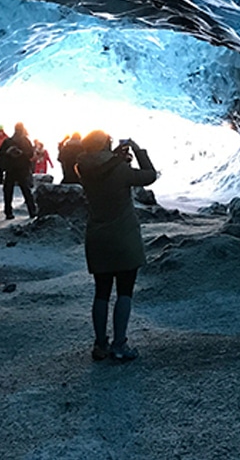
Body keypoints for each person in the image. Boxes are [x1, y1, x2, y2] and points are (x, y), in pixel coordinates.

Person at [76, 131, 156, 362]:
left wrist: (114, 157)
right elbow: (149, 175)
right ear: (106, 145)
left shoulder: (82, 167)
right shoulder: (120, 170)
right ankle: (120, 344)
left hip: (97, 237)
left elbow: (101, 168)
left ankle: (100, 344)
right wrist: (138, 150)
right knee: (124, 291)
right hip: (124, 237)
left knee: (101, 292)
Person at [0, 122, 37, 219]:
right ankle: (32, 211)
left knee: (8, 191)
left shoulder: (8, 141)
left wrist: (9, 152)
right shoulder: (25, 141)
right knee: (26, 190)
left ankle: (8, 212)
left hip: (10, 169)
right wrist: (22, 154)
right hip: (22, 169)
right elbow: (31, 154)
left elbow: (0, 153)